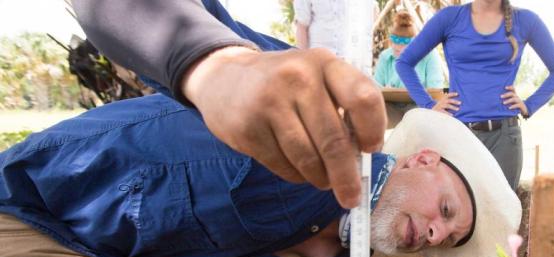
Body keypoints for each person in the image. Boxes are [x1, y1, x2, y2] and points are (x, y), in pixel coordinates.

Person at [0, 94, 521, 257]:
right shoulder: (288, 145)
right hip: (46, 225)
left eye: (445, 239)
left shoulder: (346, 256)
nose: (434, 235)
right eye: (446, 212)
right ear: (422, 160)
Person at [70, 0, 385, 211]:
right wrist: (213, 65)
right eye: (439, 206)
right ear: (423, 159)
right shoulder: (267, 78)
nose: (435, 234)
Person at [393, 0, 554, 257]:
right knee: (437, 217)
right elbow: (404, 61)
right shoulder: (449, 18)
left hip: (503, 137)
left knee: (496, 227)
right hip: (455, 136)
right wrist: (428, 105)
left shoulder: (525, 21)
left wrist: (529, 103)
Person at [374, 10, 446, 128]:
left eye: (403, 42)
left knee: (418, 120)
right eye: (394, 40)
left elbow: (435, 90)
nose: (397, 46)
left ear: (414, 42)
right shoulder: (385, 56)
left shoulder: (429, 56)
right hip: (391, 107)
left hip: (420, 106)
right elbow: (376, 86)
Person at [293, 0, 377, 58]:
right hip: (318, 61)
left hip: (349, 60)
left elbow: (372, 11)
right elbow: (302, 25)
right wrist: (303, 60)